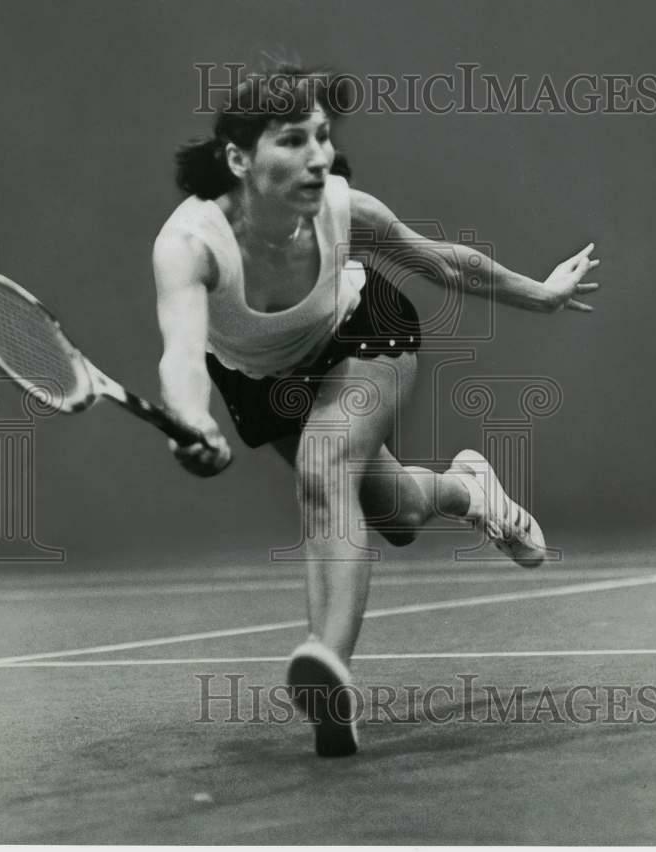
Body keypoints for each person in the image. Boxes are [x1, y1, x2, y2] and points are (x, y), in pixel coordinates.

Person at [152, 67, 600, 757]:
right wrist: (192, 417)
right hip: (260, 379)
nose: (318, 156)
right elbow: (182, 353)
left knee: (322, 462)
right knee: (397, 513)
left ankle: (328, 666)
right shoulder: (188, 246)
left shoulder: (343, 209)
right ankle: (466, 488)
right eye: (293, 139)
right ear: (239, 158)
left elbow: (448, 264)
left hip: (363, 334)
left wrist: (541, 294)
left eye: (324, 137)